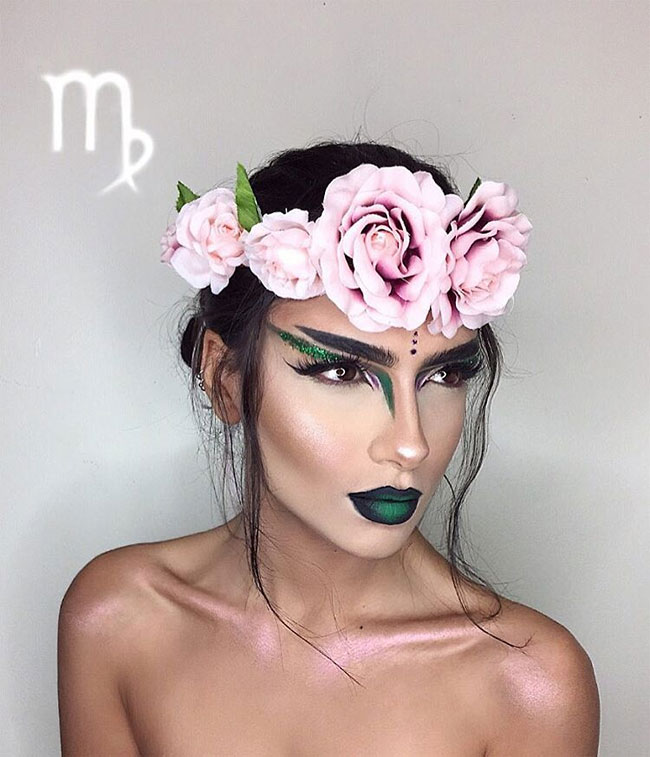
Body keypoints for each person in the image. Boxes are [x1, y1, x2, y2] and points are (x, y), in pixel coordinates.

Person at [57, 140, 600, 755]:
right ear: (225, 378)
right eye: (341, 373)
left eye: (444, 375)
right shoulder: (119, 618)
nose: (411, 445)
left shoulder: (529, 684)